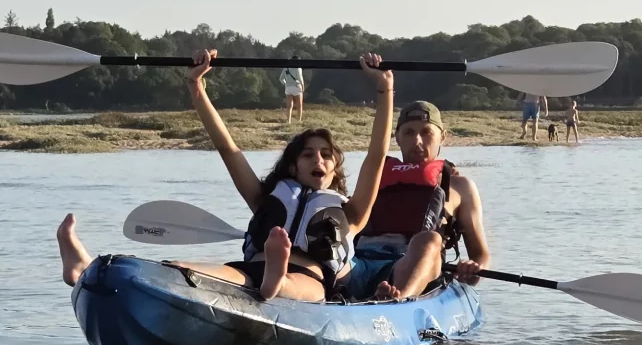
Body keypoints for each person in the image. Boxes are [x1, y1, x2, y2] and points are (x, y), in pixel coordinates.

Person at [58, 49, 395, 302]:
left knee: (291, 287)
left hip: (309, 278)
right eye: (307, 154)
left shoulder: (352, 213)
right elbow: (228, 148)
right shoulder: (266, 198)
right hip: (250, 269)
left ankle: (276, 280)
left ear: (334, 169)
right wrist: (196, 86)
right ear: (293, 167)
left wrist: (384, 91)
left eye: (325, 155)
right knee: (177, 270)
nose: (317, 159)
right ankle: (85, 270)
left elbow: (376, 156)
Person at [342, 100, 492, 301]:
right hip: (358, 262)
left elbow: (480, 255)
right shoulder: (375, 177)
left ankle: (396, 299)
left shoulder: (460, 186)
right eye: (409, 133)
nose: (417, 141)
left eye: (426, 132)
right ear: (397, 138)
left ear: (443, 136)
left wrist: (473, 269)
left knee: (429, 240)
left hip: (410, 265)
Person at [279, 56, 305, 126]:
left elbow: (281, 78)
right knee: (299, 105)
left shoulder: (286, 68)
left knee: (289, 105)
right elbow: (300, 78)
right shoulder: (298, 68)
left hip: (288, 87)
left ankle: (289, 121)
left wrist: (285, 84)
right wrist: (303, 86)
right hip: (297, 86)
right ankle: (299, 120)